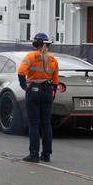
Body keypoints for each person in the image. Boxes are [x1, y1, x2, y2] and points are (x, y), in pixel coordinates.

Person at [17, 33, 59, 163]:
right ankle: (46, 155)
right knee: (46, 124)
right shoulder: (53, 60)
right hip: (47, 91)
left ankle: (34, 155)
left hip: (34, 90)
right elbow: (55, 80)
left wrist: (24, 87)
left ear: (36, 43)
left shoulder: (30, 56)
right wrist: (53, 94)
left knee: (34, 124)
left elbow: (20, 72)